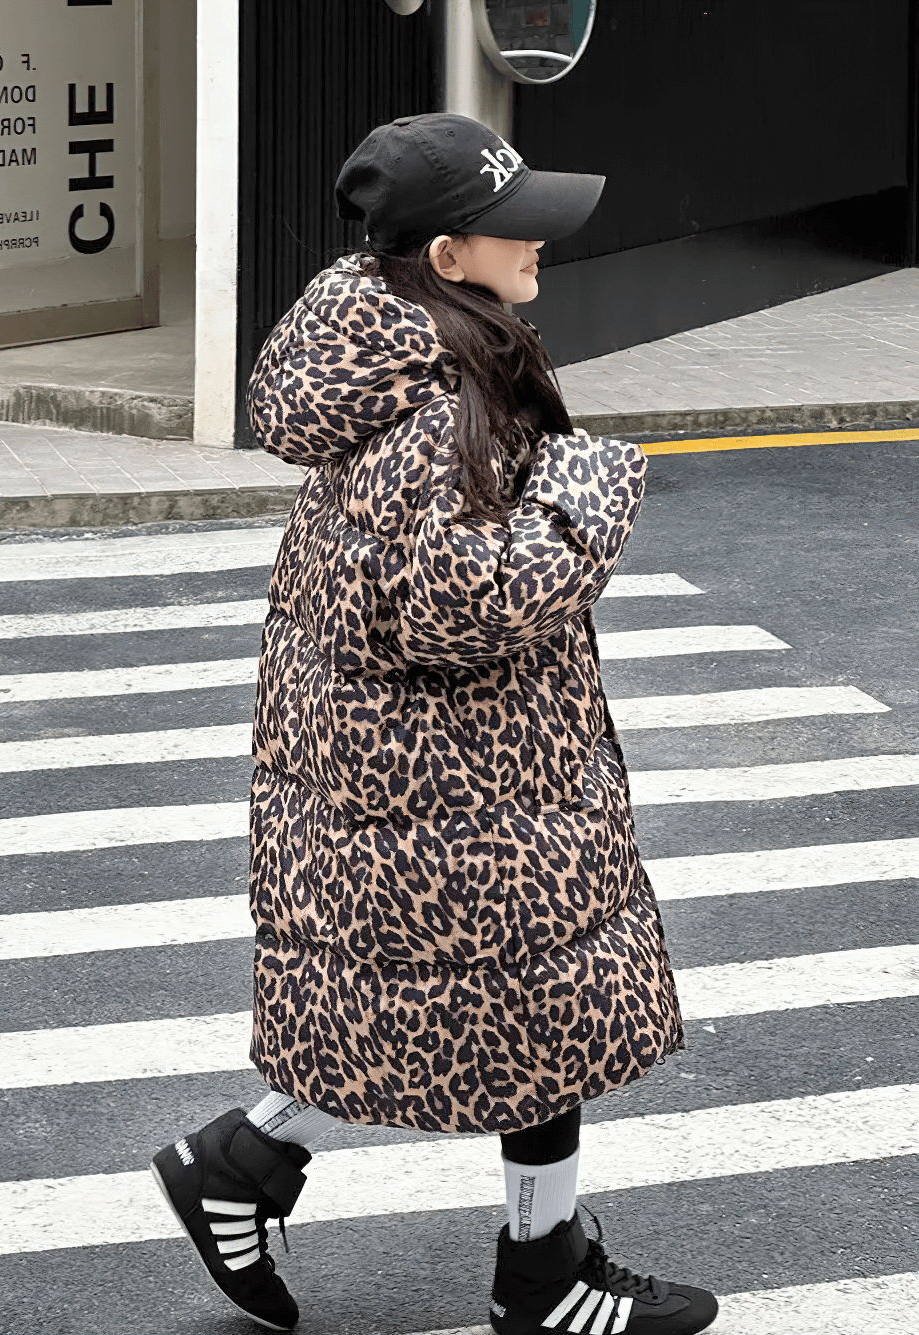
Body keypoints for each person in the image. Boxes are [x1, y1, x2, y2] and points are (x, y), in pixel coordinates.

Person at [151, 113, 718, 1335]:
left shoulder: (410, 359)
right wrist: (585, 493)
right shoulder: (433, 407)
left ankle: (250, 1167)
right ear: (447, 256)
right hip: (454, 779)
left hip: (423, 769)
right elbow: (464, 606)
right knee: (528, 1008)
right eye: (519, 229)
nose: (541, 245)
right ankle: (540, 1274)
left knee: (475, 1009)